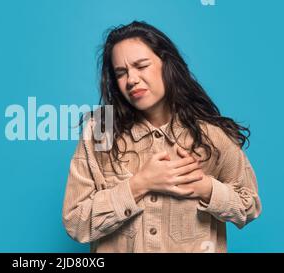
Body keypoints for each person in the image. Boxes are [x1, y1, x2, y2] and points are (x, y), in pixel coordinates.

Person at [62, 20, 261, 253]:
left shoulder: (211, 134)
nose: (132, 79)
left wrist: (207, 188)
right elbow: (75, 221)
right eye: (121, 72)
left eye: (141, 65)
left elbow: (250, 205)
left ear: (166, 64)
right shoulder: (100, 130)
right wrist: (140, 184)